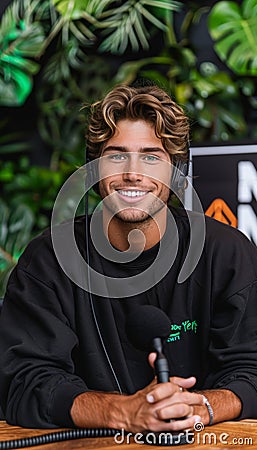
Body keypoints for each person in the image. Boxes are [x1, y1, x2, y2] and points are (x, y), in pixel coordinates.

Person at [0, 82, 257, 433]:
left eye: (151, 156)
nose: (133, 173)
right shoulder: (48, 262)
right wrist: (124, 413)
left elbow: (252, 366)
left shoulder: (227, 253)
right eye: (117, 155)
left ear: (176, 172)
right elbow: (24, 382)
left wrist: (202, 407)